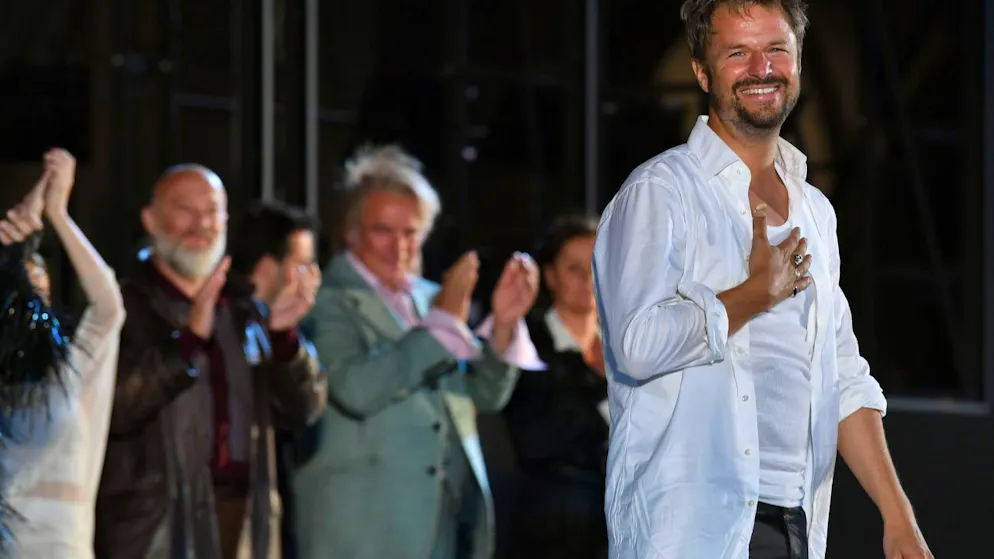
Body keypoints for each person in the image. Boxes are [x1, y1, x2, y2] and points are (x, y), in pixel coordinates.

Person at [592, 2, 932, 558]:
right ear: (703, 73)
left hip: (795, 519)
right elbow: (635, 347)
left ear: (797, 61)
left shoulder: (815, 210)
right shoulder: (661, 191)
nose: (762, 68)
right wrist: (748, 298)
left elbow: (842, 372)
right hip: (693, 527)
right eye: (738, 53)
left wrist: (898, 516)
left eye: (777, 49)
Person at [293, 144, 540, 559]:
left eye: (410, 232)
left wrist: (503, 326)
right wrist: (442, 323)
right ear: (351, 232)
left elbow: (483, 396)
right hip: (363, 530)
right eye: (382, 231)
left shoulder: (431, 299)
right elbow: (356, 389)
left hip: (442, 525)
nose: (399, 247)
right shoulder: (325, 301)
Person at [94, 165, 327, 559]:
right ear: (150, 219)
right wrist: (186, 343)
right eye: (184, 208)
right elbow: (111, 408)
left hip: (245, 524)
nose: (201, 223)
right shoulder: (118, 308)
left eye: (213, 211)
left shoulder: (242, 310)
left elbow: (305, 409)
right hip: (155, 527)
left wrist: (284, 338)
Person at [0, 149, 126, 558]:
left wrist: (56, 213)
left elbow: (109, 305)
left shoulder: (74, 369)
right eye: (20, 294)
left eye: (39, 293)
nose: (30, 306)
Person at [500, 215, 608, 559]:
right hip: (556, 529)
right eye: (574, 268)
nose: (588, 279)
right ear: (550, 276)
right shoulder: (528, 344)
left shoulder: (630, 343)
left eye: (596, 265)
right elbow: (536, 438)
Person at [227, 200, 322, 559]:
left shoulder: (277, 331)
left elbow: (307, 408)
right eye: (303, 264)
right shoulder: (227, 326)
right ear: (268, 268)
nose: (313, 277)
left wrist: (285, 338)